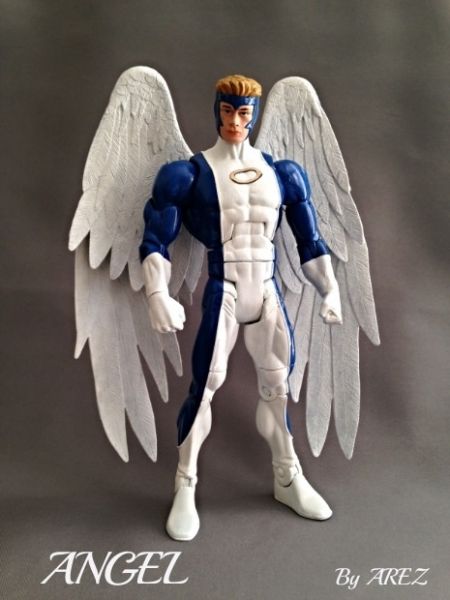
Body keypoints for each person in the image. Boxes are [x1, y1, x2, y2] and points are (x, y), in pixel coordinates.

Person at [140, 74, 342, 541]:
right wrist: (157, 294)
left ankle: (287, 476)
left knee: (278, 388)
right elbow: (155, 239)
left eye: (244, 112)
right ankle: (185, 484)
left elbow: (310, 240)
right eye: (228, 110)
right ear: (217, 110)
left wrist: (330, 289)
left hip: (267, 291)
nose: (235, 120)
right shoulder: (188, 174)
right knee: (205, 388)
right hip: (225, 288)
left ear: (255, 114)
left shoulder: (284, 174)